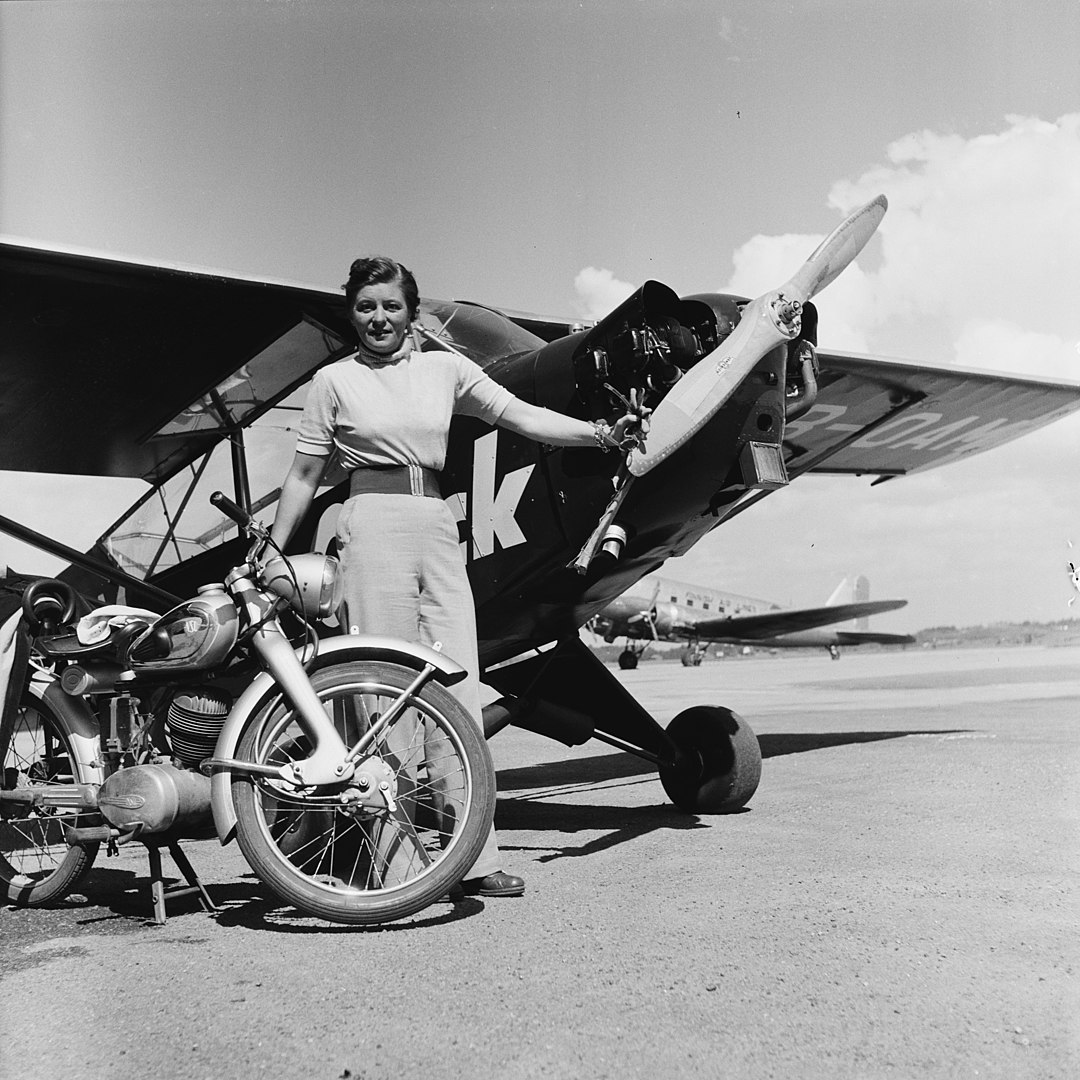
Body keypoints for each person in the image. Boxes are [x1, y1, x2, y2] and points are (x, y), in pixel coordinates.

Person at [270, 256, 647, 898]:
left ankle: (473, 855)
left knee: (458, 683)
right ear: (352, 314)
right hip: (370, 525)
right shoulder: (332, 382)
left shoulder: (446, 369)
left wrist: (602, 433)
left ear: (410, 311)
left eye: (390, 305)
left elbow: (522, 416)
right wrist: (269, 550)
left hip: (438, 527)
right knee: (380, 695)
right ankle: (392, 859)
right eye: (365, 307)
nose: (379, 318)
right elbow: (304, 477)